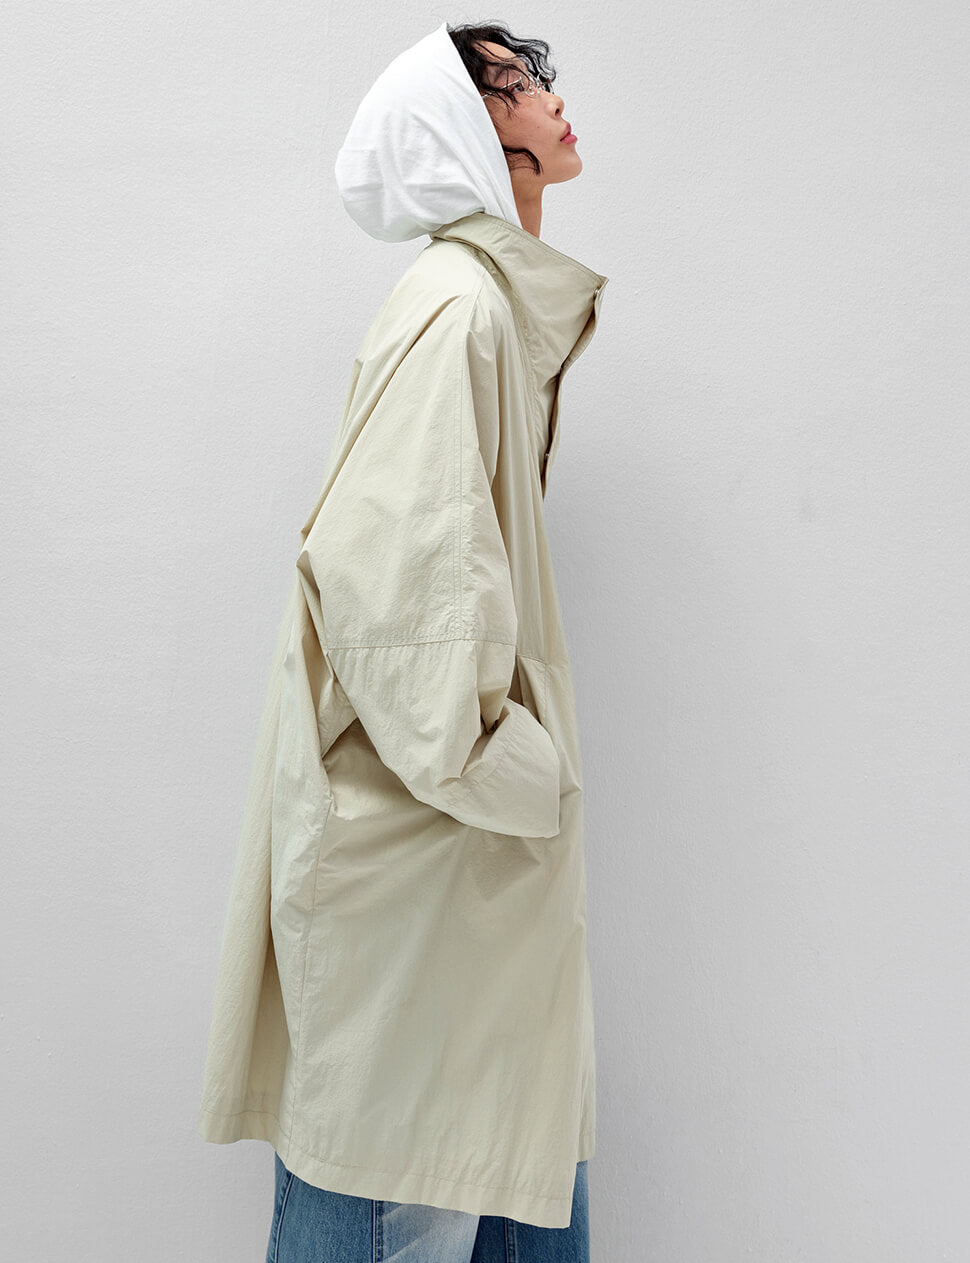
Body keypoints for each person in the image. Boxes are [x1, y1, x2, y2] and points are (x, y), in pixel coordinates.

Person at [195, 19, 609, 1262]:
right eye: (516, 78)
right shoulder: (456, 312)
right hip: (420, 875)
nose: (549, 92)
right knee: (390, 1184)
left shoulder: (481, 306)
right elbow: (395, 607)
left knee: (494, 1175)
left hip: (451, 880)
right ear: (464, 123)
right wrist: (527, 771)